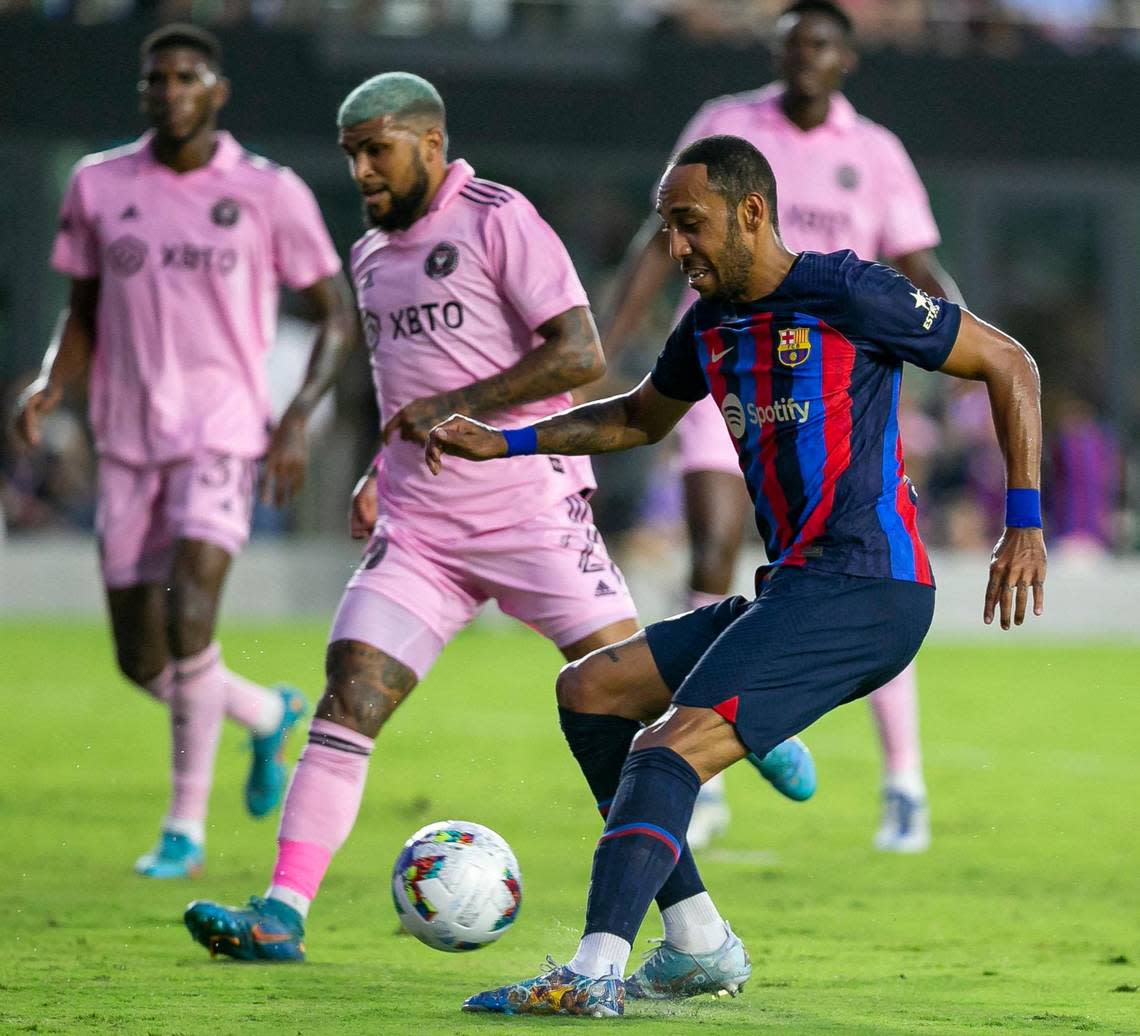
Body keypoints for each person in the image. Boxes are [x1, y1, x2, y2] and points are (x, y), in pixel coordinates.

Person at [180, 74, 814, 963]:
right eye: (351, 153)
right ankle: (281, 913)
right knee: (351, 694)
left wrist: (463, 404)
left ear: (429, 143)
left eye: (377, 149)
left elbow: (581, 350)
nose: (361, 169)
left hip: (530, 511)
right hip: (421, 526)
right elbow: (407, 386)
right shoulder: (370, 255)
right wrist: (377, 462)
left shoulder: (496, 216)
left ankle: (748, 749)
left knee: (635, 706)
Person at [426, 135, 1046, 1015]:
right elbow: (641, 417)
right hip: (796, 586)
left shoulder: (847, 290)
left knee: (664, 751)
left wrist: (1023, 523)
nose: (676, 248)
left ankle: (592, 972)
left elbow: (1008, 362)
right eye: (667, 228)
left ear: (752, 212)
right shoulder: (710, 324)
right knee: (594, 692)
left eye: (690, 225)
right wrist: (509, 440)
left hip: (868, 588)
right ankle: (698, 947)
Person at [602, 0, 961, 852]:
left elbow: (914, 260)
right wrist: (607, 344)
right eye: (793, 44)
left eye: (822, 45)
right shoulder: (726, 125)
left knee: (858, 569)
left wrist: (958, 341)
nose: (806, 58)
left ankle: (903, 778)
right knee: (712, 545)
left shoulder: (873, 152)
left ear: (847, 60)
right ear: (777, 52)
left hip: (835, 390)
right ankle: (708, 756)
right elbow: (663, 244)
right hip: (731, 366)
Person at [13, 25, 354, 879]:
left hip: (223, 431)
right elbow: (84, 307)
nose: (167, 90)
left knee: (190, 614)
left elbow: (335, 315)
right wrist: (53, 382)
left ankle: (184, 828)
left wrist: (290, 419)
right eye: (154, 78)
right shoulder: (98, 183)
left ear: (217, 90)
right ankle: (263, 713)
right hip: (127, 438)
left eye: (184, 76)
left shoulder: (267, 192)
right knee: (140, 657)